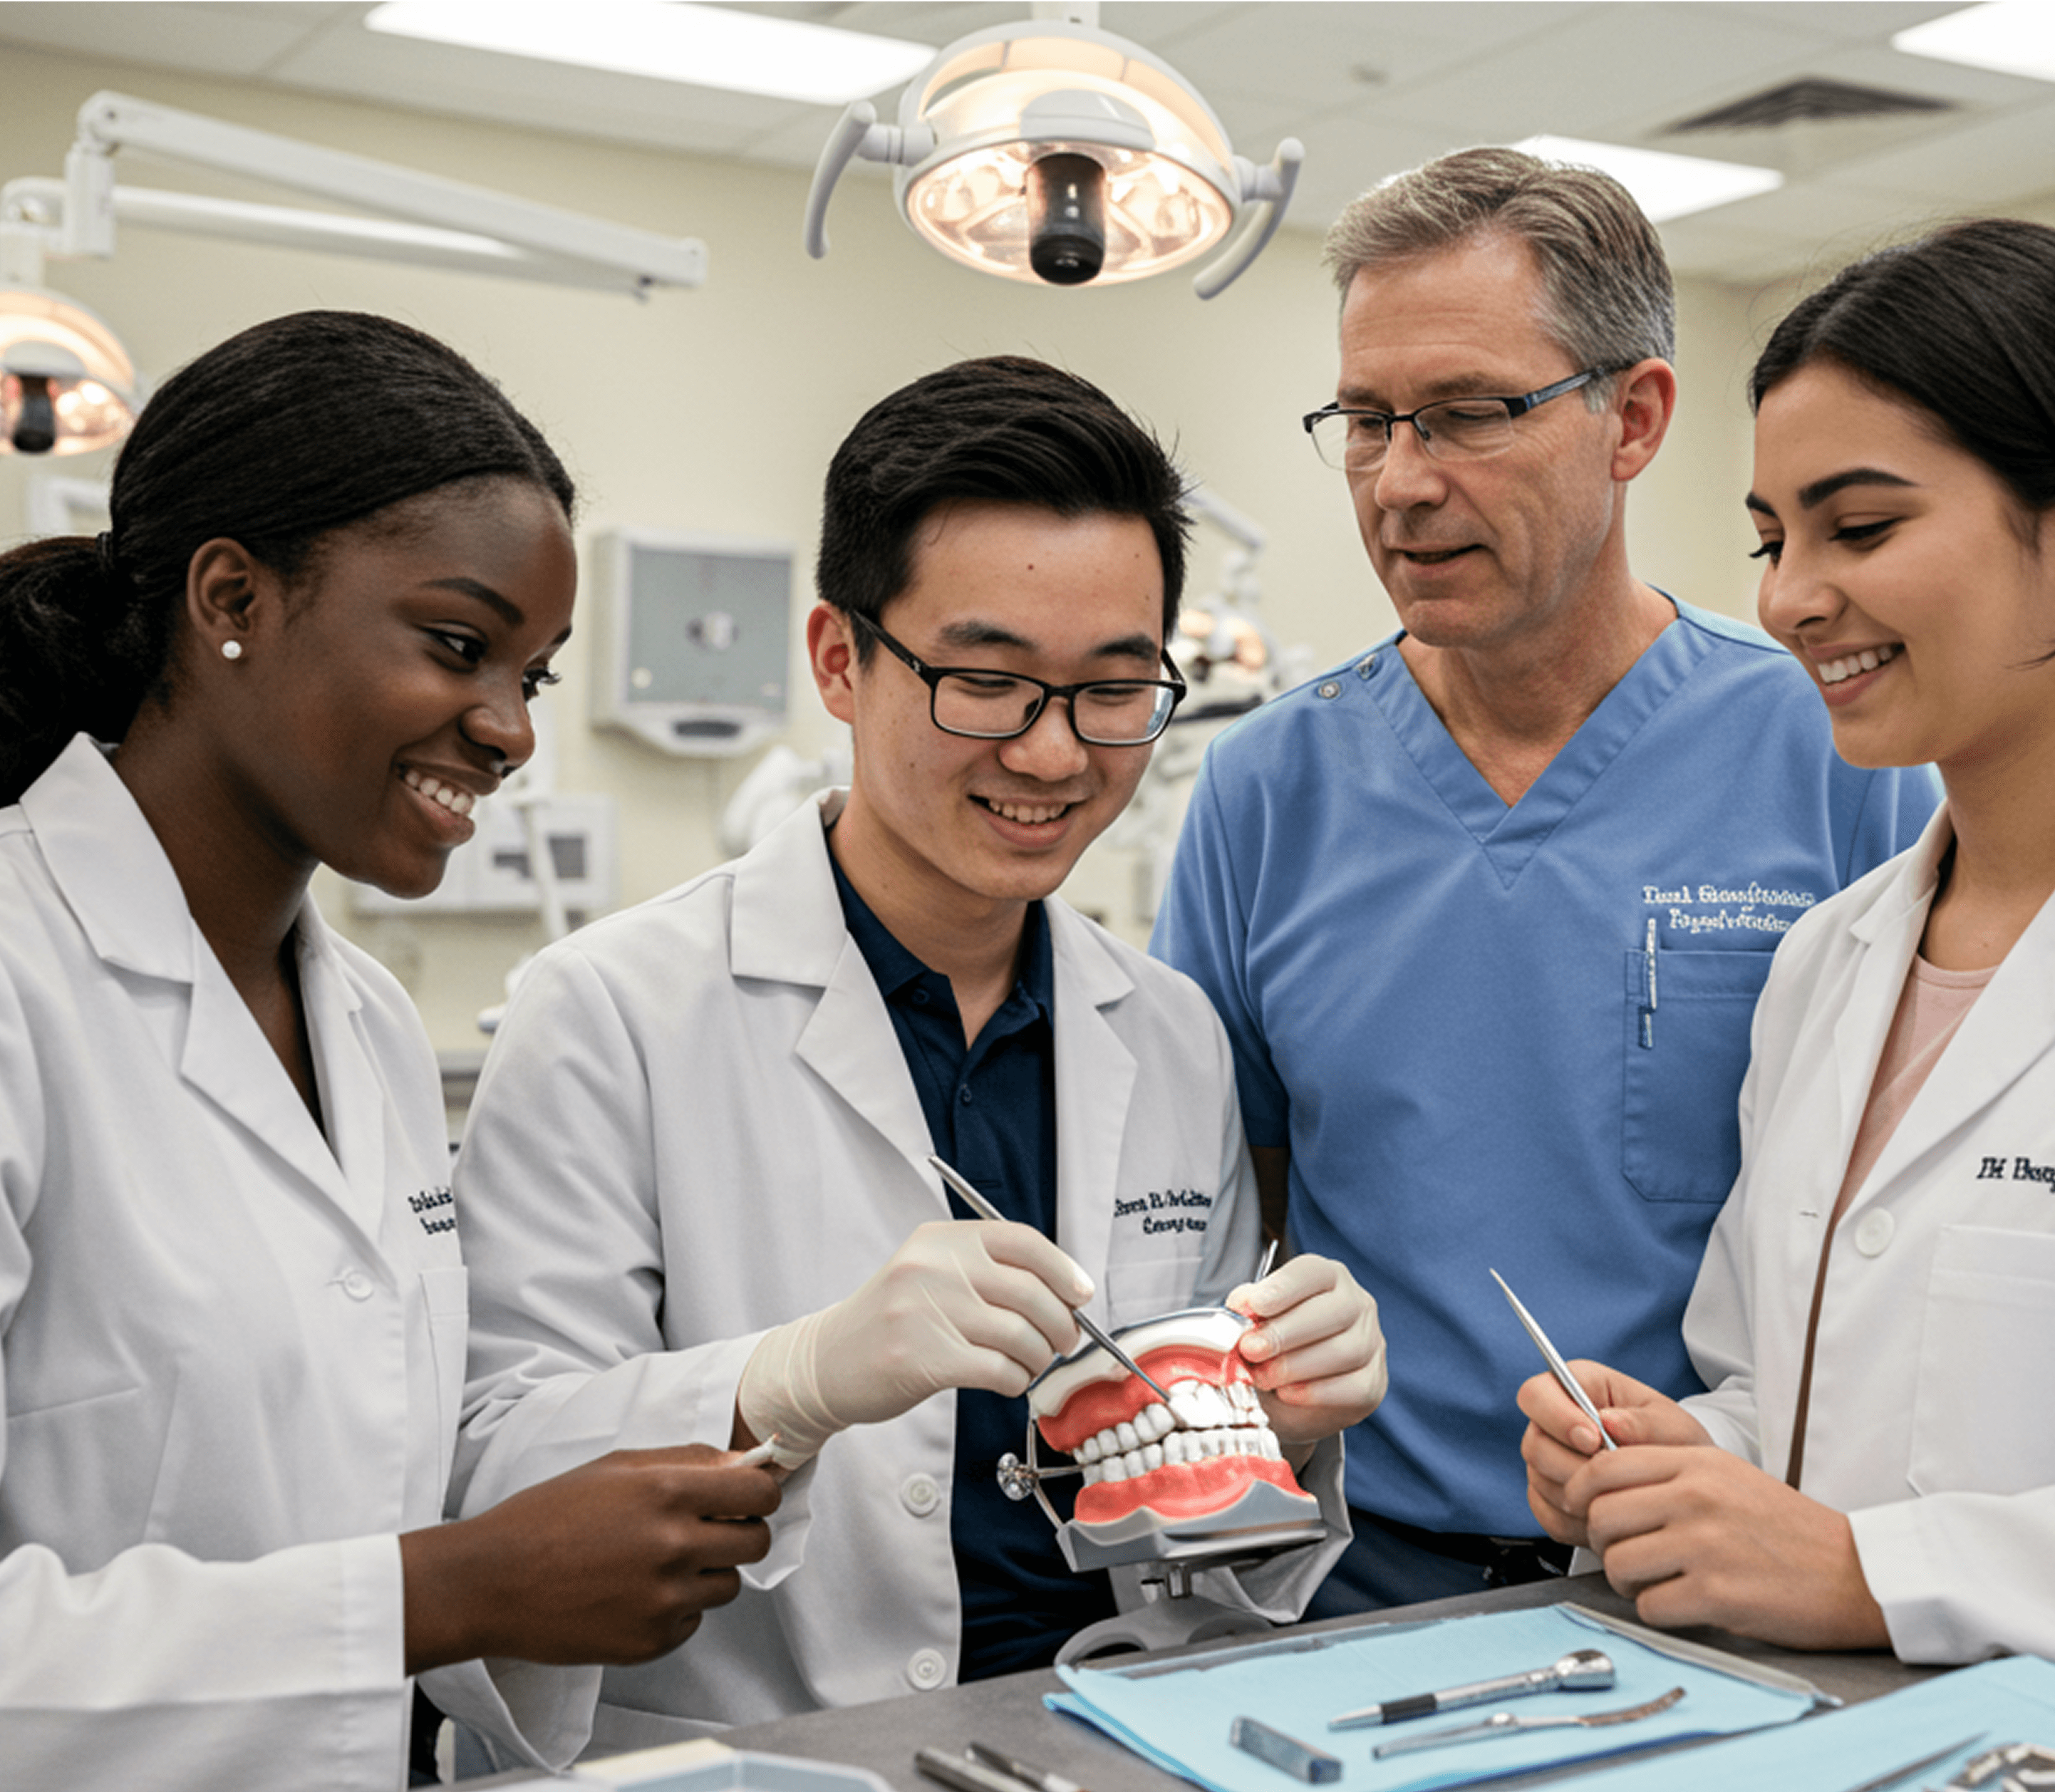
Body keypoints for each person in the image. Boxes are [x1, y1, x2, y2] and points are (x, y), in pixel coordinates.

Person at [451, 355, 1388, 1756]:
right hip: (755, 1755)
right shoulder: (608, 1013)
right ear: (840, 658)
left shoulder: (1170, 1033)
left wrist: (1273, 1429)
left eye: (1112, 689)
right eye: (989, 682)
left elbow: (1189, 1545)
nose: (1055, 754)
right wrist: (790, 1382)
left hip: (1101, 1734)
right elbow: (490, 1473)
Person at [1149, 146, 1937, 1615]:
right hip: (1343, 1580)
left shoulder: (1841, 757)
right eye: (1367, 421)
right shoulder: (1265, 794)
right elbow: (1218, 1221)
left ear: (1629, 418)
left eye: (1462, 416)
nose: (1398, 482)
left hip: (1714, 1567)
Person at [0, 310, 777, 1791]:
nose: (508, 732)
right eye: (457, 645)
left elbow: (376, 1471)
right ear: (231, 596)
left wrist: (775, 1401)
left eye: (533, 675)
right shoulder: (18, 976)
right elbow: (411, 1574)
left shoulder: (361, 1021)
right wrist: (449, 1592)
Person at [1519, 217, 2055, 1663]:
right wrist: (1667, 1455)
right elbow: (1782, 1393)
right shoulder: (1827, 961)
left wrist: (1875, 1575)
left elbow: (1857, 1543)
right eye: (1770, 539)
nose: (1785, 597)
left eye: (1859, 527)